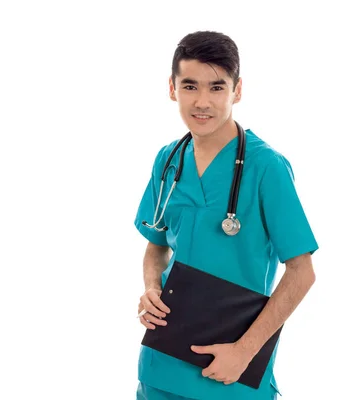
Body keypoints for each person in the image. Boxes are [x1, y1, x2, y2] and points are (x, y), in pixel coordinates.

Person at [133, 31, 319, 400]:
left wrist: (245, 352)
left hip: (230, 373)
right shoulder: (167, 161)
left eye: (217, 88)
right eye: (190, 86)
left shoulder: (267, 167)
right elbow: (156, 246)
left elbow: (302, 272)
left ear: (237, 91)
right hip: (160, 365)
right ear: (172, 89)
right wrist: (152, 288)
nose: (202, 102)